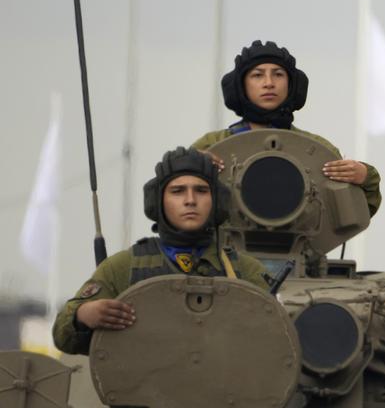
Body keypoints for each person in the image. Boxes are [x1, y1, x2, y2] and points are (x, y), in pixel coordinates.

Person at [52, 147, 270, 355]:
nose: (190, 200)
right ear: (158, 202)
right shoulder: (124, 268)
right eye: (177, 191)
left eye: (201, 191)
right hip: (142, 390)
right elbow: (62, 335)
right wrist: (83, 315)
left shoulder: (244, 271)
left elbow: (274, 338)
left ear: (217, 202)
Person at [192, 40, 381, 216]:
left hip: (300, 247)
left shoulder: (315, 149)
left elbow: (353, 213)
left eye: (278, 74)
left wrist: (365, 176)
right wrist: (190, 166)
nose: (269, 83)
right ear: (241, 86)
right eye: (257, 75)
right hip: (225, 249)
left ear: (291, 85)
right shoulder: (214, 145)